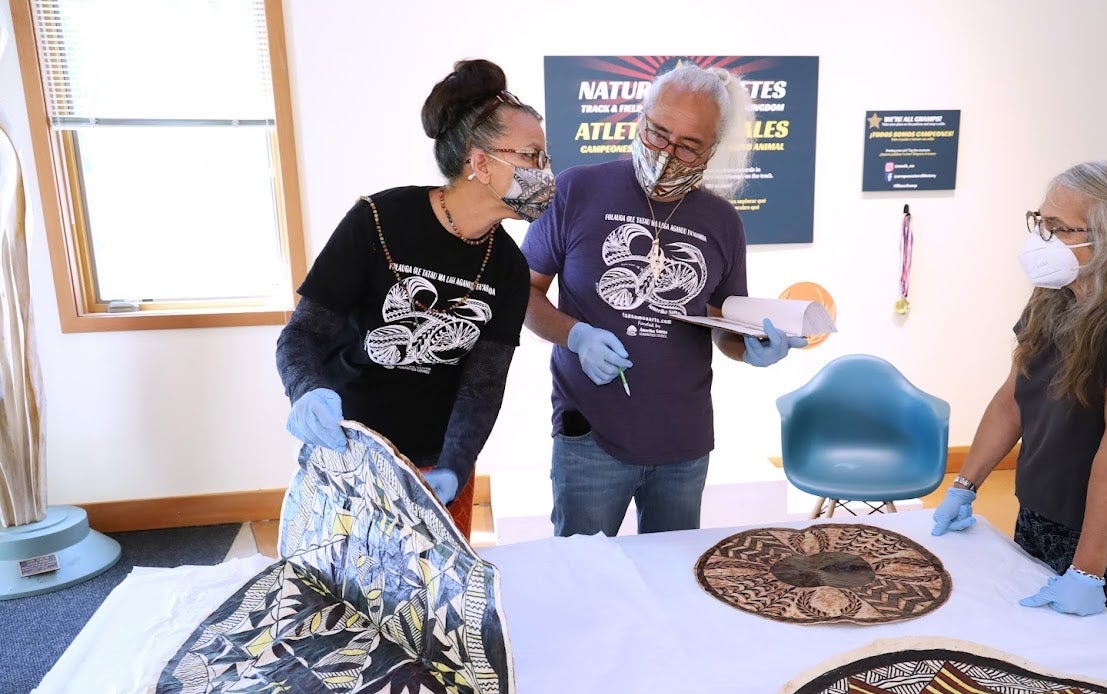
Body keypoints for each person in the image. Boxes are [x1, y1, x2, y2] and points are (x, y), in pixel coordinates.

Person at [520, 63, 805, 537]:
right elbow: (523, 292)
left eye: (689, 146)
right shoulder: (576, 190)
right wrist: (577, 335)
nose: (668, 154)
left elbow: (725, 326)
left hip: (683, 444)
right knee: (584, 580)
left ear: (711, 151)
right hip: (590, 438)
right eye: (657, 134)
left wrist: (754, 349)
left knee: (672, 584)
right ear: (640, 120)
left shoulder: (722, 223)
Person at [276, 59, 553, 539]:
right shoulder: (379, 219)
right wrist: (306, 390)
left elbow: (482, 386)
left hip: (434, 466)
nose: (544, 172)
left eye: (543, 158)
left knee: (429, 605)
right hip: (350, 451)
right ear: (481, 162)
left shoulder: (507, 265)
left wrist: (454, 464)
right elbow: (301, 336)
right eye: (532, 156)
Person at [931, 159, 1107, 633]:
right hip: (1043, 513)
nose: (1043, 239)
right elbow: (1012, 398)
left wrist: (1086, 572)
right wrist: (965, 485)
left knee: (1097, 682)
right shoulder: (1055, 291)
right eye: (1041, 223)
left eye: (1060, 228)